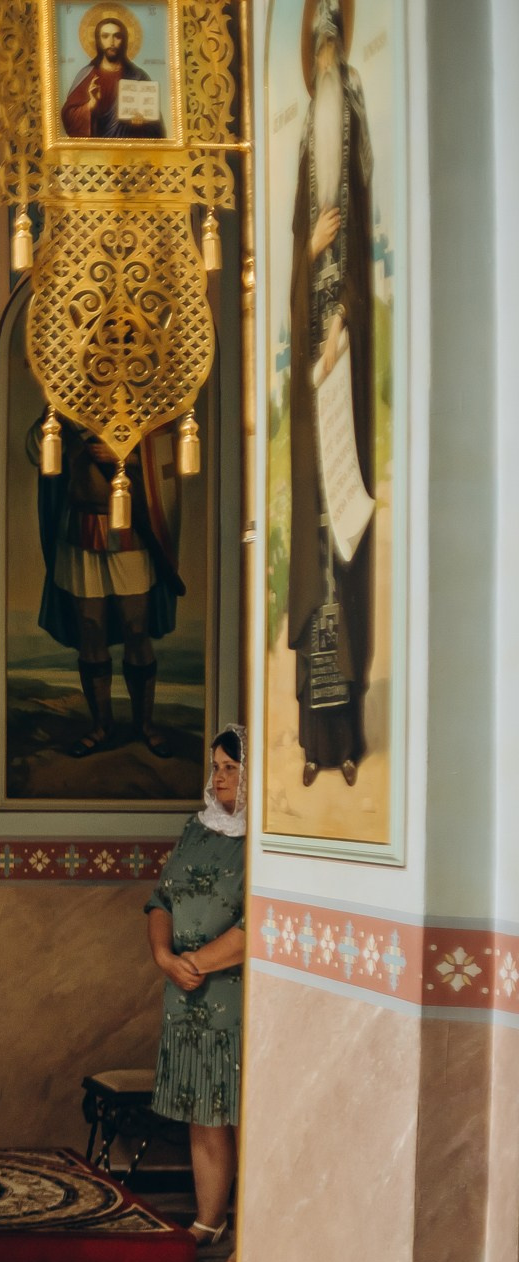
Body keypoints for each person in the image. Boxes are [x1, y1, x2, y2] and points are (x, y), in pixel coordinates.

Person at [287, 0, 374, 787]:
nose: (323, 58)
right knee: (313, 579)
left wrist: (343, 321)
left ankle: (344, 741)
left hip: (343, 376)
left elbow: (357, 242)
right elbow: (300, 254)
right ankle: (315, 746)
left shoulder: (349, 126)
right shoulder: (307, 156)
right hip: (314, 393)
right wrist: (308, 251)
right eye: (315, 50)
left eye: (331, 47)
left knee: (344, 575)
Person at [147, 727, 248, 1249]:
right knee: (202, 1108)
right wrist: (165, 958)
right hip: (186, 995)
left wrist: (198, 962)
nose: (220, 777)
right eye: (216, 767)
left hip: (236, 999)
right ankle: (209, 1220)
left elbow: (261, 921)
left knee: (244, 1114)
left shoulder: (266, 839)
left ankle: (252, 1235)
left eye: (231, 768)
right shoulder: (197, 827)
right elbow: (160, 899)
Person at [36, 421, 186, 756]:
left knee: (136, 627)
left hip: (130, 528)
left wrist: (126, 455)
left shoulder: (143, 401)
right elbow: (36, 450)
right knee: (90, 629)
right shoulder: (66, 405)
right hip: (81, 527)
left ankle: (144, 725)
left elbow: (165, 451)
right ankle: (101, 726)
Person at [60, 12, 165, 138]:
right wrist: (90, 105)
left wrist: (142, 123)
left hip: (128, 148)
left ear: (124, 40)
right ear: (98, 41)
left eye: (117, 36)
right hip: (94, 149)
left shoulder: (138, 76)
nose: (111, 42)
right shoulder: (87, 75)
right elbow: (68, 118)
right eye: (105, 36)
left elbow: (156, 127)